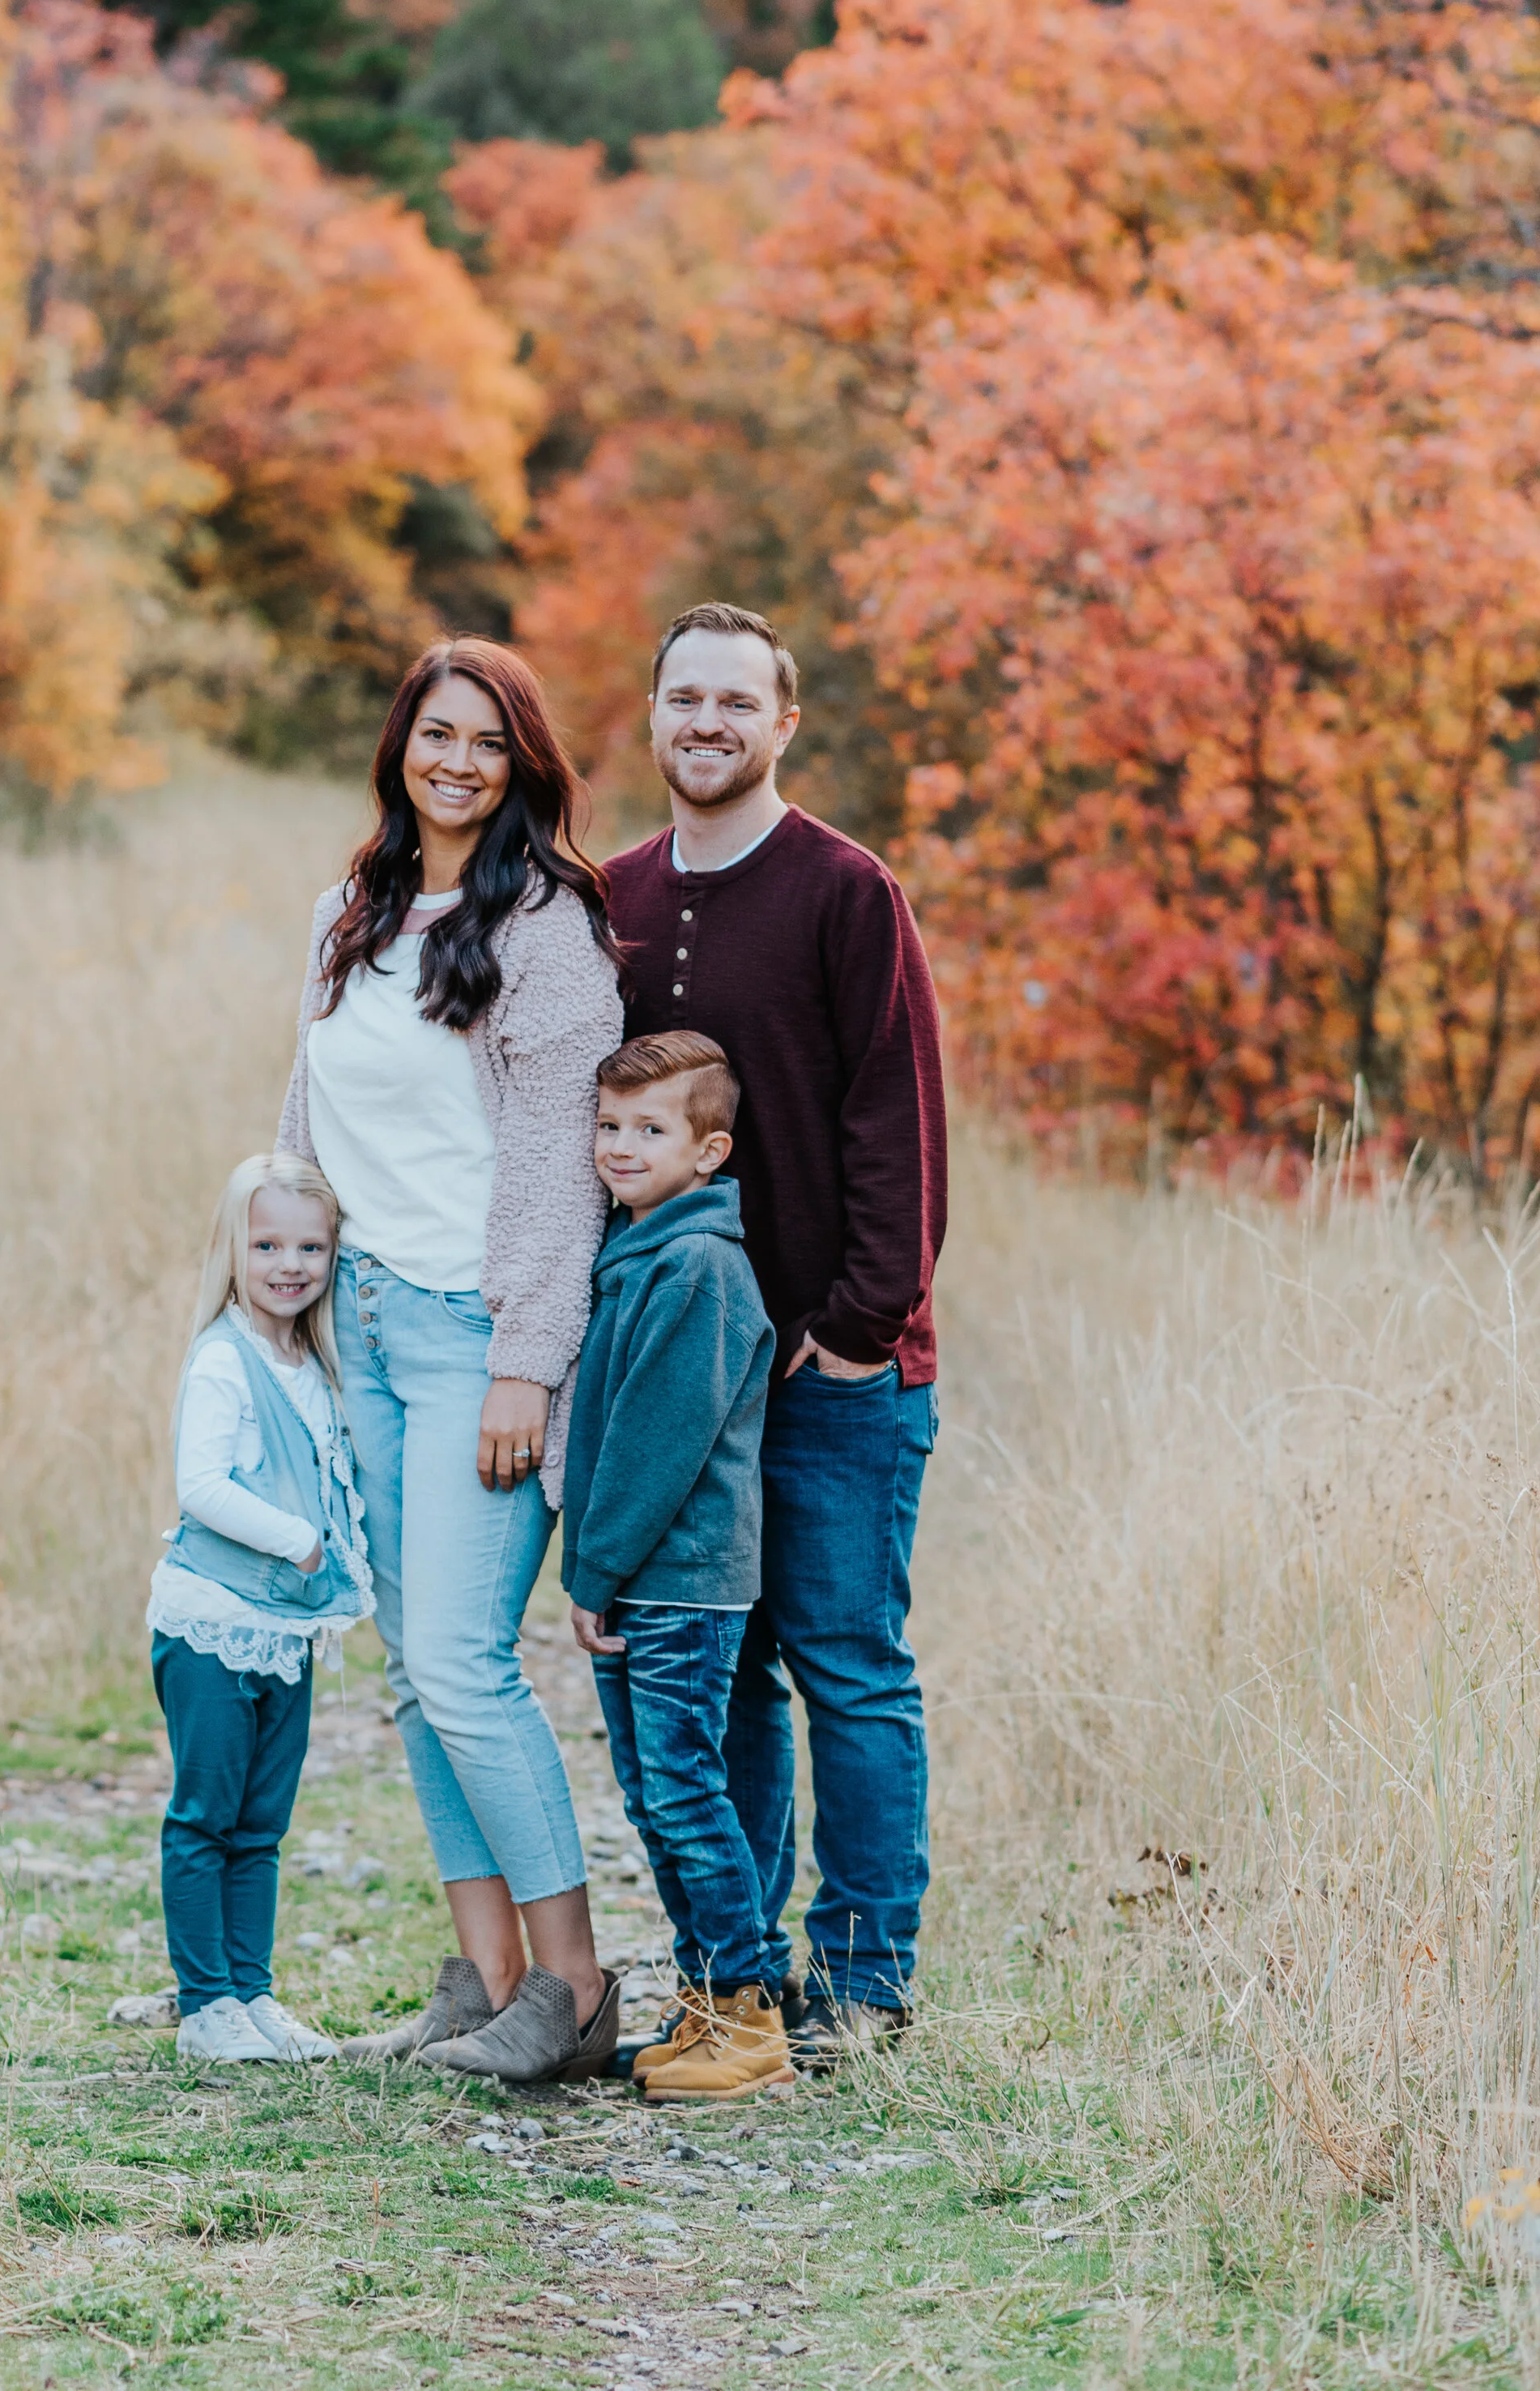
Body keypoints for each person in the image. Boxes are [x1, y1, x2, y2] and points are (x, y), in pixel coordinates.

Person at [277, 637, 625, 2086]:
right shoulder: (350, 911)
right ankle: (483, 1978)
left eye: (490, 741)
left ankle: (580, 1984)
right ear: (400, 749)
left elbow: (560, 1171)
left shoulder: (546, 931)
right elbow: (309, 1108)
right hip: (357, 1321)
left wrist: (526, 1366)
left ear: (523, 763)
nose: (461, 762)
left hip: (479, 1334)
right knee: (415, 1677)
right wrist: (280, 1314)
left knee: (465, 1663)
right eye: (439, 735)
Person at [603, 603, 948, 2063]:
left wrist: (865, 1324)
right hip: (695, 1374)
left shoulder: (846, 892)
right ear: (656, 715)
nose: (709, 723)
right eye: (686, 697)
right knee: (723, 1673)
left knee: (847, 1662)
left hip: (830, 1364)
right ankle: (732, 1976)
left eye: (738, 702)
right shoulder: (611, 896)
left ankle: (863, 1984)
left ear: (782, 724)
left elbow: (899, 1117)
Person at [562, 1031, 784, 2103]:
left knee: (687, 1791)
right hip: (643, 1574)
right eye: (609, 1124)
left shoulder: (697, 1266)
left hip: (680, 1577)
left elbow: (659, 1439)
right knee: (655, 1794)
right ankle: (705, 1994)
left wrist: (592, 1570)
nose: (618, 1145)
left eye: (649, 1129)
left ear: (710, 1151)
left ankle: (748, 2008)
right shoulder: (639, 1247)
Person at [148, 1150, 373, 2064]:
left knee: (263, 1820)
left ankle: (252, 1990)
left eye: (311, 1246)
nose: (290, 1263)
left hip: (285, 1629)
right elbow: (200, 1484)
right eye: (268, 1241)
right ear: (232, 1249)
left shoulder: (307, 1363)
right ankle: (205, 2004)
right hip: (211, 1620)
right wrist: (297, 1538)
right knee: (206, 1812)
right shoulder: (224, 1362)